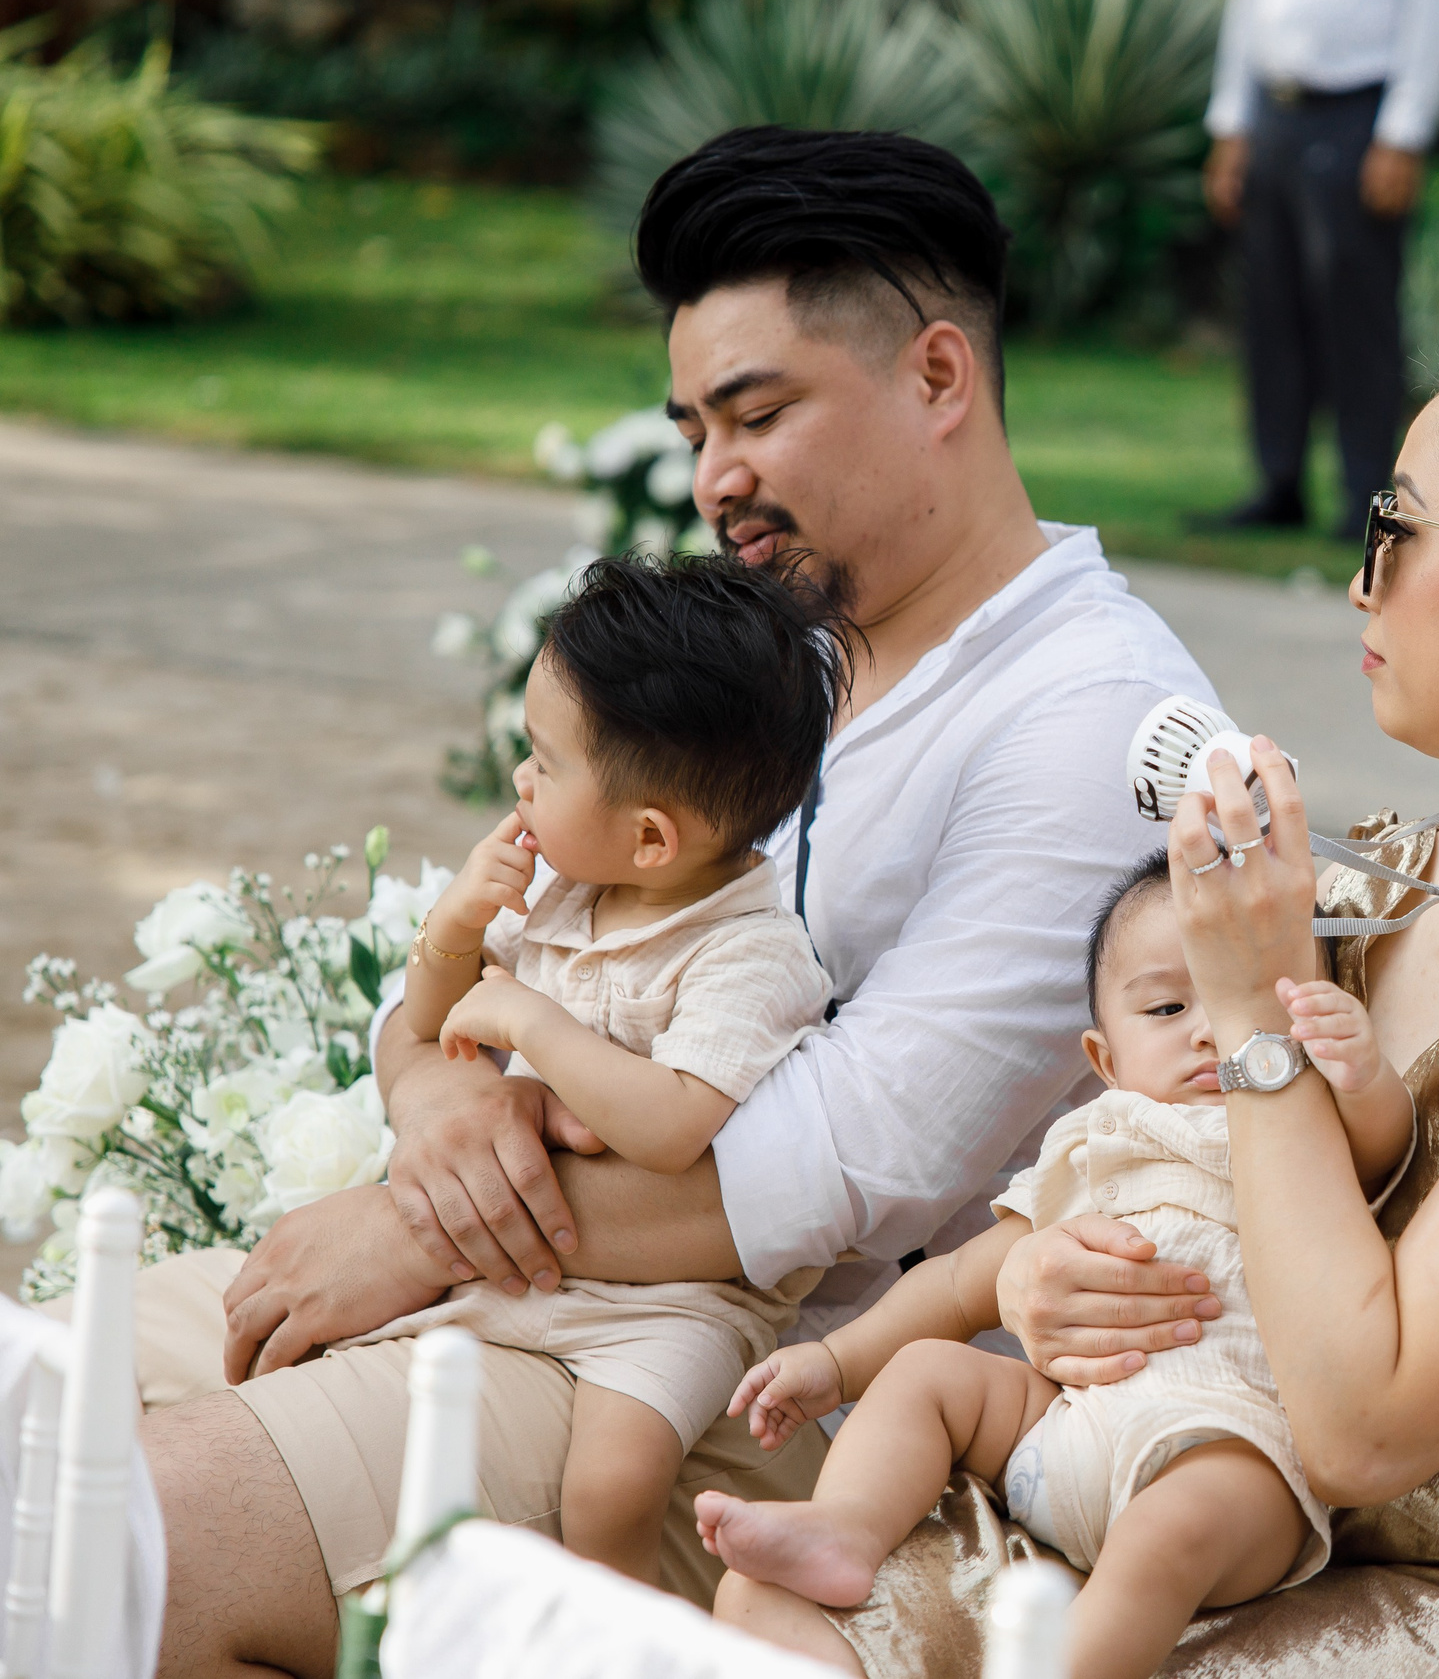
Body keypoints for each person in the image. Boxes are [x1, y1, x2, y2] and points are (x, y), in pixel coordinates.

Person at [130, 127, 1215, 1675]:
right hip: (529, 1293)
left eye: (759, 413)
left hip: (775, 1404)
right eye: (695, 424)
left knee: (153, 1538)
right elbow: (497, 935)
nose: (715, 478)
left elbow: (830, 1170)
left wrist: (411, 1231)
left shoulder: (1087, 718)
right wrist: (430, 1099)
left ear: (937, 377)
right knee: (49, 1415)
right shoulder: (772, 653)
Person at [722, 321, 1439, 1675]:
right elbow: (1241, 1196)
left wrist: (1252, 1016)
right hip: (1292, 1501)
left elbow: (1365, 1422)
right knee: (790, 1614)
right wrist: (1056, 1271)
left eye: (1393, 529)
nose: (1356, 582)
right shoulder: (1418, 868)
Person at [695, 853, 1413, 1676]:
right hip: (1067, 1433)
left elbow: (1384, 1155)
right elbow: (963, 1280)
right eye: (1169, 1005)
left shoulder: (1301, 1122)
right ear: (1104, 1061)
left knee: (1166, 1534)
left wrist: (1362, 1076)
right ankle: (848, 1526)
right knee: (930, 1370)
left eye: (1234, 998)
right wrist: (835, 1361)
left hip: (1229, 1451)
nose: (1209, 1029)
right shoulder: (1094, 1147)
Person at [342, 555, 841, 1585]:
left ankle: (609, 1630)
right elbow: (441, 1032)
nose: (521, 780)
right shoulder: (571, 885)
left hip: (678, 1295)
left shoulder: (750, 955)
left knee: (608, 1487)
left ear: (651, 836)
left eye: (545, 761)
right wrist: (452, 934)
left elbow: (669, 1125)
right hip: (547, 1251)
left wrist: (532, 1017)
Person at [1196, 0, 1439, 538]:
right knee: (1270, 307)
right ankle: (1279, 483)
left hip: (1359, 115)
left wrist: (1405, 132)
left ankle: (1367, 494)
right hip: (1273, 109)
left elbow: (1438, 9)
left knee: (1357, 315)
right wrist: (1231, 125)